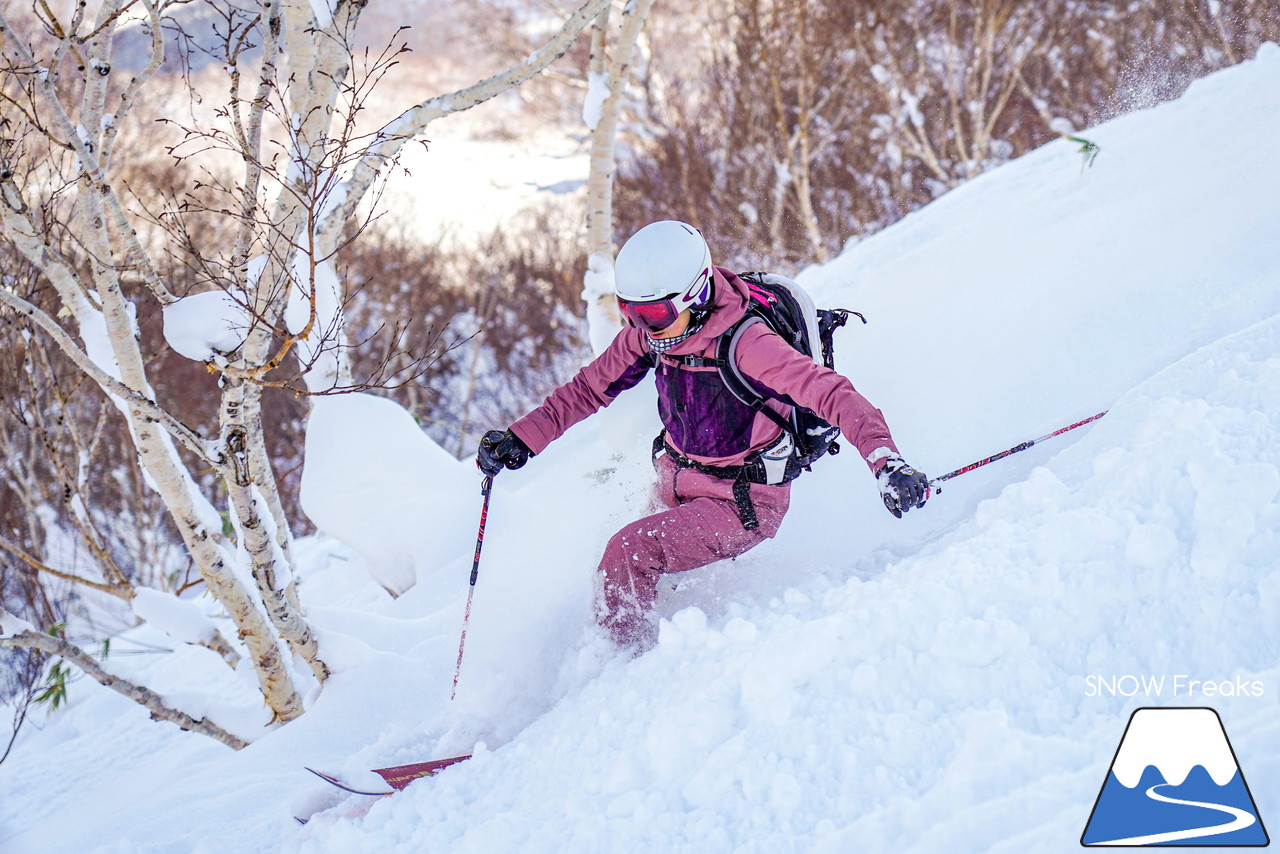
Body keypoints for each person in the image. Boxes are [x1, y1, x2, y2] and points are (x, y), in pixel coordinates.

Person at [476, 220, 928, 652]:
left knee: (628, 552)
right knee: (625, 561)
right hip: (678, 480)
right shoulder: (652, 336)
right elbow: (588, 389)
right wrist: (522, 439)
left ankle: (616, 670)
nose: (641, 327)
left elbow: (833, 395)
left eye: (653, 313)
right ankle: (635, 640)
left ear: (694, 295)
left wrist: (886, 461)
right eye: (629, 312)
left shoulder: (747, 344)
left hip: (742, 502)